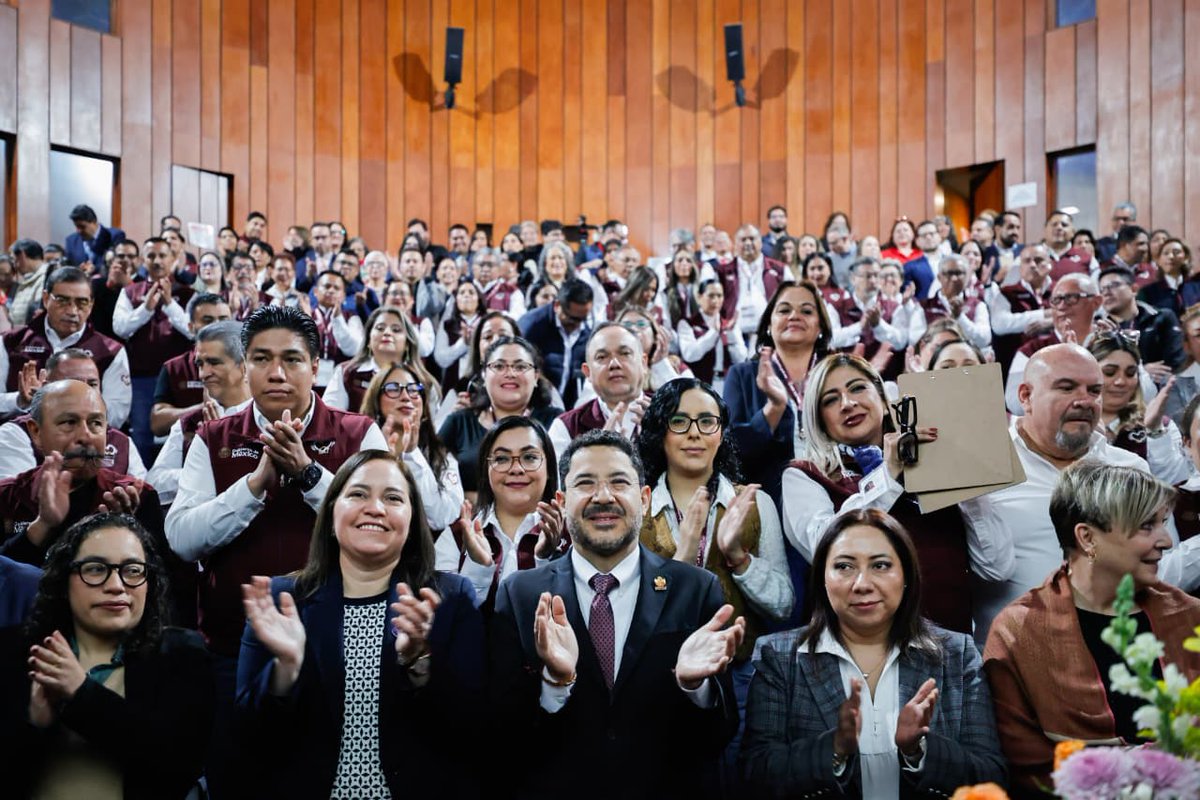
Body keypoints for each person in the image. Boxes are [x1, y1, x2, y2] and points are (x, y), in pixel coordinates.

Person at [490, 430, 743, 800]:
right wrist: (553, 684)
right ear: (561, 501)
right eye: (585, 483)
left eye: (619, 482)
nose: (603, 496)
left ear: (643, 498)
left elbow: (719, 736)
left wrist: (695, 688)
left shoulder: (696, 589)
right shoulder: (521, 594)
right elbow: (502, 736)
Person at [236, 451, 485, 798]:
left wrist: (419, 663)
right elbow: (249, 740)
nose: (376, 508)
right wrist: (286, 669)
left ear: (413, 520)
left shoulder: (450, 597)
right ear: (331, 510)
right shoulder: (282, 600)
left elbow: (472, 732)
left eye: (393, 498)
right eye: (358, 494)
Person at [741, 509, 1006, 797]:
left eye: (880, 566)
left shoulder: (957, 655)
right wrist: (835, 748)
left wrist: (919, 750)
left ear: (906, 575)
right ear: (822, 579)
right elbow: (756, 776)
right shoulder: (779, 657)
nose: (862, 584)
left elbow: (990, 777)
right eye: (844, 567)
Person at [984, 462, 1200, 796]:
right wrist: (1145, 766)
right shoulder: (1019, 633)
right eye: (1147, 526)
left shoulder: (1188, 616)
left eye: (1163, 523)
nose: (1167, 541)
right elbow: (1026, 766)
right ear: (1087, 537)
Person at [967, 344, 1200, 647]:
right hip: (1013, 662)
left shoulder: (1129, 466)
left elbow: (1162, 570)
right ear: (1025, 396)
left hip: (1115, 659)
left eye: (1094, 390)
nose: (1084, 401)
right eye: (1066, 388)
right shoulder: (982, 467)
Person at [636, 379, 794, 778]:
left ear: (722, 433)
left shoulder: (755, 502)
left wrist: (738, 558)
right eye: (679, 421)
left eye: (707, 421)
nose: (694, 433)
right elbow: (632, 608)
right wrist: (685, 554)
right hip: (656, 674)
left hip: (739, 675)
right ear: (660, 433)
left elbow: (783, 603)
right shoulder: (637, 506)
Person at [0, 513, 213, 799]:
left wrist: (81, 694)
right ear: (64, 579)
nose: (116, 585)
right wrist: (35, 725)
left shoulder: (182, 654)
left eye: (133, 570)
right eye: (96, 569)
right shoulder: (14, 651)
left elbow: (176, 765)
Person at [782, 353, 1000, 634]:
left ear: (885, 401)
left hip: (949, 646)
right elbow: (823, 545)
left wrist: (967, 484)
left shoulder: (937, 462)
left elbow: (996, 568)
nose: (848, 404)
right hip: (860, 652)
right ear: (820, 419)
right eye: (831, 399)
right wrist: (889, 474)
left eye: (857, 388)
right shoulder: (805, 474)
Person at [0, 381, 166, 568]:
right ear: (36, 432)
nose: (86, 436)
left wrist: (127, 537)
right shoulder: (6, 498)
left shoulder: (136, 498)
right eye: (69, 422)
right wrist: (43, 526)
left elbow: (164, 587)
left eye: (95, 423)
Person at [437, 415, 568, 611]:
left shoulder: (573, 535)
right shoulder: (456, 537)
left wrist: (544, 560)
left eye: (530, 457)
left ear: (549, 468)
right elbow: (444, 622)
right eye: (501, 459)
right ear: (485, 469)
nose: (516, 469)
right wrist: (478, 568)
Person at [723, 280, 833, 502]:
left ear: (820, 326)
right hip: (768, 505)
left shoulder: (837, 373)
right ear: (768, 325)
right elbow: (729, 453)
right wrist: (773, 410)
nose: (794, 315)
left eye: (806, 311)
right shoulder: (742, 375)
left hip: (836, 500)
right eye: (784, 310)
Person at [1, 265, 131, 427]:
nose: (72, 311)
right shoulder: (10, 342)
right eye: (62, 301)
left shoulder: (110, 351)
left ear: (91, 305)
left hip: (83, 444)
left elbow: (117, 412)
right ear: (46, 299)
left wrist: (69, 409)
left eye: (81, 302)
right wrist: (19, 400)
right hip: (19, 440)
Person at [438, 336, 563, 499]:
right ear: (484, 374)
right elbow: (435, 482)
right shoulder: (458, 422)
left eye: (520, 366)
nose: (510, 373)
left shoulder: (556, 422)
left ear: (536, 376)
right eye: (499, 366)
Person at [147, 321, 251, 507]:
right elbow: (155, 483)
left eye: (214, 363)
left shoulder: (267, 419)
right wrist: (204, 466)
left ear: (244, 366)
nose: (203, 374)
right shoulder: (190, 422)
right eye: (200, 364)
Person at [0, 348, 145, 480]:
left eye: (93, 384)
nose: (85, 391)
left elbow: (143, 498)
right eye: (72, 383)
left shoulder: (122, 443)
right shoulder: (15, 434)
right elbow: (13, 501)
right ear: (46, 388)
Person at [113, 237, 196, 461]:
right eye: (151, 256)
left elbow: (193, 330)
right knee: (141, 433)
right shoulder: (131, 291)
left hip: (179, 377)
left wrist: (169, 304)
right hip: (142, 376)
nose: (157, 261)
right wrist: (146, 309)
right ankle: (141, 487)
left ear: (173, 259)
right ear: (142, 260)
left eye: (162, 255)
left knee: (183, 432)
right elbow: (120, 328)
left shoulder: (188, 292)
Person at [360, 361, 462, 532]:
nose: (406, 396)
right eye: (393, 388)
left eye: (414, 390)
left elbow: (442, 518)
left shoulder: (443, 458)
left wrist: (412, 453)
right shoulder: (358, 448)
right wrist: (382, 458)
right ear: (376, 401)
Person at [1088, 332, 1191, 484]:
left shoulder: (1163, 425)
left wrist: (1155, 430)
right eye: (1110, 372)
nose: (1121, 381)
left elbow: (1174, 482)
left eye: (1130, 373)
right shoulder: (1072, 423)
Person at [1004, 273, 1103, 415]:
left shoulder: (1109, 343)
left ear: (1096, 302)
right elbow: (1014, 402)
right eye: (1056, 300)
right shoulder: (1030, 351)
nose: (1061, 306)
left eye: (1071, 298)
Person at [548, 322, 649, 458]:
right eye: (602, 357)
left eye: (625, 353)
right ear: (587, 372)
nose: (614, 364)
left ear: (643, 363)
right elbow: (559, 479)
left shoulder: (670, 413)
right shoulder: (566, 427)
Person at [324, 305, 437, 414]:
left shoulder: (423, 381)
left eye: (396, 330)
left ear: (407, 343)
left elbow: (431, 428)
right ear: (368, 340)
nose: (387, 333)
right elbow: (329, 421)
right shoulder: (346, 373)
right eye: (380, 328)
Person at [148, 293, 233, 438]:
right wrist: (202, 409)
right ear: (191, 327)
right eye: (208, 320)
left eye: (223, 320)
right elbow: (157, 424)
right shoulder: (174, 368)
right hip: (189, 449)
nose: (218, 326)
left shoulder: (247, 367)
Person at [1097, 264, 1186, 381]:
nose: (1106, 293)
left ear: (1134, 289)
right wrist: (1142, 372)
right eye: (1102, 290)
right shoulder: (1099, 328)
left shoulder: (1162, 317)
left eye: (1113, 286)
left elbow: (1175, 361)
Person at [828, 256, 910, 379]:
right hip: (847, 376)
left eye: (876, 276)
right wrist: (859, 327)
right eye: (866, 276)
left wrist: (878, 325)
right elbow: (831, 339)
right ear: (853, 279)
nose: (872, 280)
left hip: (886, 379)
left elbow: (901, 342)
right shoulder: (836, 307)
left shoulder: (894, 307)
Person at [518, 277, 593, 409]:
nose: (578, 325)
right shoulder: (531, 326)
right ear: (557, 306)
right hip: (534, 405)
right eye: (573, 319)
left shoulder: (585, 329)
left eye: (583, 319)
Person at [714, 224, 788, 343]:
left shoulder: (780, 269)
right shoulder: (722, 271)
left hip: (770, 332)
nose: (748, 243)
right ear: (735, 244)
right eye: (743, 240)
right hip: (734, 334)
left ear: (761, 242)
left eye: (752, 239)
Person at [677, 278, 748, 394]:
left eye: (719, 296)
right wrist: (713, 333)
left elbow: (741, 359)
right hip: (699, 386)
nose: (715, 301)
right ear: (699, 297)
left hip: (728, 383)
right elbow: (690, 354)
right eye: (711, 296)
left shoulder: (729, 325)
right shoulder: (687, 324)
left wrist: (732, 337)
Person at [908, 253, 992, 351]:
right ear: (939, 277)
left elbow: (984, 340)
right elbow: (915, 340)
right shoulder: (923, 306)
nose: (954, 278)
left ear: (967, 277)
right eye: (949, 273)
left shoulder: (978, 305)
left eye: (959, 273)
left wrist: (960, 317)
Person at [306, 270, 364, 391]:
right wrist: (305, 322)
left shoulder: (351, 317)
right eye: (327, 286)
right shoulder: (305, 314)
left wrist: (338, 319)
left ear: (343, 295)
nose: (331, 290)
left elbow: (353, 349)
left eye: (336, 288)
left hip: (340, 382)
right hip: (307, 379)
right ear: (315, 292)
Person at [434, 280, 484, 392]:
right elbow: (440, 359)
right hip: (452, 387)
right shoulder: (447, 325)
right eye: (462, 293)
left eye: (471, 292)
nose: (466, 295)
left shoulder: (487, 323)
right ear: (456, 300)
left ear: (479, 299)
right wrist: (463, 344)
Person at [63, 204, 126, 269]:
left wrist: (94, 269)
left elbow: (118, 263)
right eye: (76, 227)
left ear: (94, 221)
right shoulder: (71, 241)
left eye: (82, 227)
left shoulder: (115, 236)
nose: (79, 231)